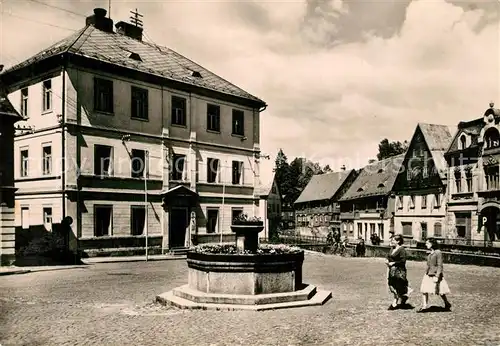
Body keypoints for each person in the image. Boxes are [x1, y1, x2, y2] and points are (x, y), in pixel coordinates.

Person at [417, 237, 452, 312]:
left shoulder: (438, 252)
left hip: (435, 274)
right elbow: (428, 264)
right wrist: (426, 273)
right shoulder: (430, 253)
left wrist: (437, 276)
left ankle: (446, 303)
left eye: (427, 243)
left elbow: (440, 265)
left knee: (440, 291)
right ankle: (424, 306)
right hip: (428, 274)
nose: (426, 245)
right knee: (424, 290)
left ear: (432, 243)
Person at [385, 234, 411, 310]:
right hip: (391, 270)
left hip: (399, 271)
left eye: (393, 240)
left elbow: (403, 261)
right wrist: (386, 259)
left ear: (398, 241)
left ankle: (395, 302)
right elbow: (388, 256)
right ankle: (404, 297)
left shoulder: (402, 249)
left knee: (398, 285)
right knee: (391, 285)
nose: (391, 241)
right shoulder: (392, 248)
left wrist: (394, 263)